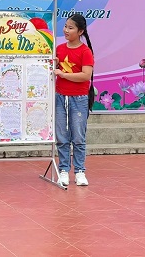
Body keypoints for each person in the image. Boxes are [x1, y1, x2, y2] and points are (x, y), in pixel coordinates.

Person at [54, 14, 94, 187]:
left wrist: (63, 74)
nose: (66, 30)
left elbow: (85, 75)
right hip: (60, 97)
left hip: (79, 98)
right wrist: (55, 64)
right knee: (62, 136)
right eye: (65, 26)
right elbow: (54, 69)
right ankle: (63, 170)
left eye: (70, 28)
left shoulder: (85, 51)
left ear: (80, 31)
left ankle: (79, 171)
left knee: (78, 136)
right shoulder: (59, 48)